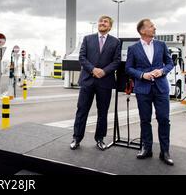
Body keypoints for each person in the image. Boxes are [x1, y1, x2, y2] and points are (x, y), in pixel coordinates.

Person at [125, 19, 174, 165]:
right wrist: (142, 75)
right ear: (142, 30)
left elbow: (170, 63)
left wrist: (162, 71)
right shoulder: (133, 48)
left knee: (164, 119)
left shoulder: (161, 45)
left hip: (161, 88)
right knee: (145, 120)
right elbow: (128, 68)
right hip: (143, 89)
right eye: (151, 26)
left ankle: (165, 152)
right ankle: (147, 148)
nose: (154, 28)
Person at [70, 15, 121, 151]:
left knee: (102, 112)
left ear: (110, 26)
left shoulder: (115, 42)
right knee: (82, 110)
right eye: (101, 21)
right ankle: (76, 138)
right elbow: (82, 57)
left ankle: (100, 139)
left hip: (105, 82)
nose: (102, 23)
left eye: (105, 22)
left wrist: (103, 71)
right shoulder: (87, 39)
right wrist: (93, 69)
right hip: (88, 80)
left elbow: (116, 61)